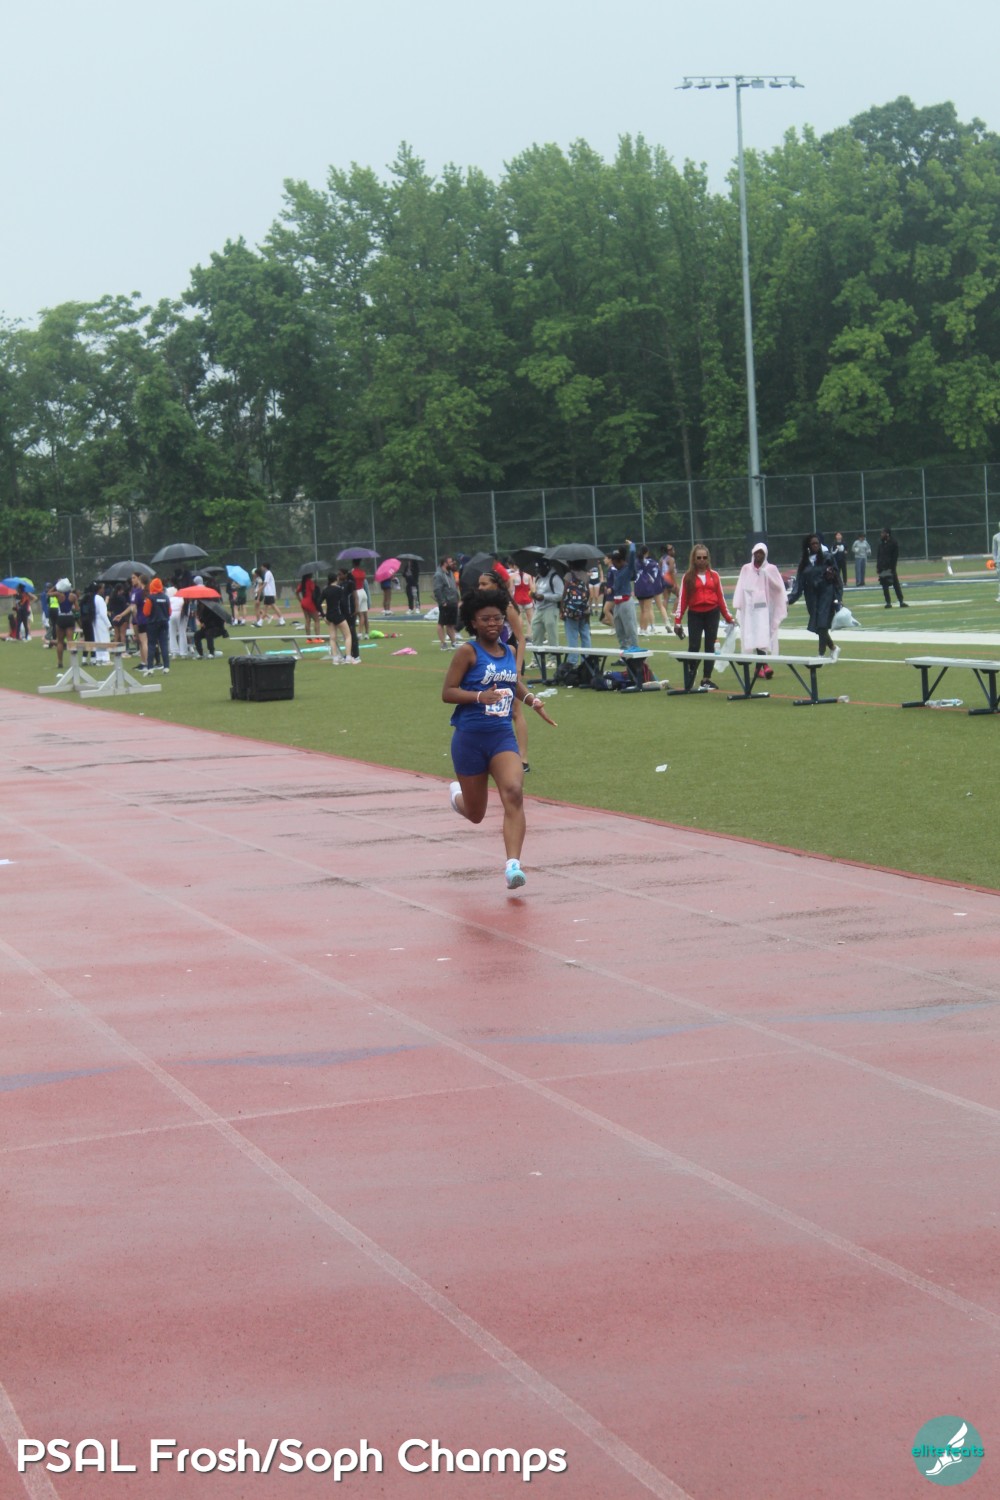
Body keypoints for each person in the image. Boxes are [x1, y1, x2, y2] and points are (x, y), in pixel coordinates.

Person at [443, 587, 556, 892]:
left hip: (501, 737)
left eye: (497, 618)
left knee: (514, 791)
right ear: (473, 622)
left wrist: (532, 701)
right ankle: (457, 798)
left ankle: (513, 866)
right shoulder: (467, 652)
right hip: (469, 739)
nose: (493, 624)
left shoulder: (508, 651)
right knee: (476, 814)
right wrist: (479, 696)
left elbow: (513, 682)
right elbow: (448, 692)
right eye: (485, 619)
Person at [477, 566, 530, 771]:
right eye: (479, 584)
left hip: (509, 662)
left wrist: (517, 668)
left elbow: (521, 639)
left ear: (496, 585)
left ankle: (523, 758)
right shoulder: (483, 607)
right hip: (491, 663)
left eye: (484, 584)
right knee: (490, 708)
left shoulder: (506, 606)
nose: (480, 587)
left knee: (515, 711)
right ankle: (494, 754)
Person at [673, 544, 734, 690]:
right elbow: (683, 600)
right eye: (698, 557)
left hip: (712, 613)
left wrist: (728, 617)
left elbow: (720, 598)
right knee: (694, 646)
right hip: (695, 614)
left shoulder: (714, 575)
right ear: (694, 559)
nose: (701, 560)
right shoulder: (688, 577)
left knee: (710, 646)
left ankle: (706, 679)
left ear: (708, 559)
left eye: (704, 557)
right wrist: (677, 621)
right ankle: (691, 673)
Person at [732, 543, 787, 680]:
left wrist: (766, 575)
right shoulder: (746, 568)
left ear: (765, 554)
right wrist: (738, 604)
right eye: (756, 552)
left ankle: (761, 667)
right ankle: (763, 666)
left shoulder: (771, 569)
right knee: (754, 635)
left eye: (761, 552)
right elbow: (741, 586)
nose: (758, 555)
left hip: (765, 609)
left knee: (763, 636)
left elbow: (778, 588)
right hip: (750, 610)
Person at [786, 533, 842, 659]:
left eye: (817, 543)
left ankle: (821, 654)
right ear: (808, 546)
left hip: (826, 594)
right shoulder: (804, 562)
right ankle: (833, 648)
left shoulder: (827, 557)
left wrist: (839, 598)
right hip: (811, 596)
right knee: (818, 626)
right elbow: (799, 583)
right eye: (813, 544)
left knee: (822, 623)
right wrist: (789, 599)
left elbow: (837, 579)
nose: (816, 545)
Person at [320, 570, 359, 663]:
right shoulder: (339, 589)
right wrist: (347, 614)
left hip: (329, 616)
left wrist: (323, 615)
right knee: (348, 635)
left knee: (333, 638)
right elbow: (343, 603)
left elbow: (318, 603)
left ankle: (335, 658)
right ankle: (348, 656)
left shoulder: (325, 590)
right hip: (338, 615)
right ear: (336, 579)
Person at [606, 541, 639, 651]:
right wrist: (612, 589)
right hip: (617, 604)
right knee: (619, 630)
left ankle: (635, 648)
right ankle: (624, 650)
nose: (613, 565)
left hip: (626, 603)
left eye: (615, 562)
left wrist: (632, 545)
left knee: (630, 627)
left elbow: (632, 556)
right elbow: (618, 584)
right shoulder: (618, 571)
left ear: (621, 561)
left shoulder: (628, 569)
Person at [560, 561, 592, 668]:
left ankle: (572, 661)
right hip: (584, 610)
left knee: (572, 636)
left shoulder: (569, 575)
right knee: (585, 635)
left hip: (571, 611)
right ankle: (586, 661)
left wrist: (562, 609)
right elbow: (588, 593)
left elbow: (564, 593)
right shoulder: (585, 575)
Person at [530, 562, 564, 648]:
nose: (538, 571)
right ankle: (537, 655)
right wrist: (535, 595)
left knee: (552, 635)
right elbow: (539, 592)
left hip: (550, 608)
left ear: (547, 567)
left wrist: (544, 597)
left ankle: (553, 655)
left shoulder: (555, 578)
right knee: (536, 633)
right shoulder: (538, 578)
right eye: (536, 569)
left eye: (540, 569)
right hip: (538, 609)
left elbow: (560, 595)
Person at [142, 576, 171, 673]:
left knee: (151, 645)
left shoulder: (150, 598)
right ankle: (166, 667)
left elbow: (146, 612)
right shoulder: (166, 598)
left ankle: (150, 668)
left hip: (153, 624)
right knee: (164, 645)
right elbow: (169, 612)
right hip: (164, 623)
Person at [634, 544, 664, 635]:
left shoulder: (636, 561)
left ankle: (641, 629)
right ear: (646, 553)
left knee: (642, 610)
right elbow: (655, 567)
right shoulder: (648, 562)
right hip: (646, 586)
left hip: (637, 586)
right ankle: (644, 629)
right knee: (647, 609)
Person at [433, 554, 459, 650]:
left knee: (451, 624)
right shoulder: (439, 575)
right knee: (442, 623)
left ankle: (453, 642)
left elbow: (453, 587)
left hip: (453, 602)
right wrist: (442, 601)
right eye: (450, 562)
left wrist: (457, 598)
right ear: (444, 563)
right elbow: (437, 589)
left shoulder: (450, 573)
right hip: (446, 603)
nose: (452, 563)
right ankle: (443, 643)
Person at [876, 527, 907, 608]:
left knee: (895, 584)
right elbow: (879, 555)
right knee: (884, 586)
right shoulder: (881, 543)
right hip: (882, 567)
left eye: (883, 533)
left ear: (887, 534)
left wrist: (892, 568)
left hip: (890, 567)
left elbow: (895, 557)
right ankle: (888, 602)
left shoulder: (893, 543)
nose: (881, 534)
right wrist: (878, 567)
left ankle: (901, 601)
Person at [52, 578, 78, 670]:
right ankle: (73, 662)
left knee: (60, 641)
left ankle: (60, 662)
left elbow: (49, 593)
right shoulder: (73, 596)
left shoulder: (58, 594)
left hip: (61, 617)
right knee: (71, 641)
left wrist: (56, 586)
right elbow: (77, 609)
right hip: (69, 617)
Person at [92, 582, 111, 663]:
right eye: (103, 588)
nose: (104, 590)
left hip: (95, 621)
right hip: (101, 621)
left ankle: (99, 658)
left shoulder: (94, 597)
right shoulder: (100, 599)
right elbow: (103, 614)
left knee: (98, 639)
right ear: (99, 589)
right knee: (104, 639)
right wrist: (109, 624)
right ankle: (106, 658)